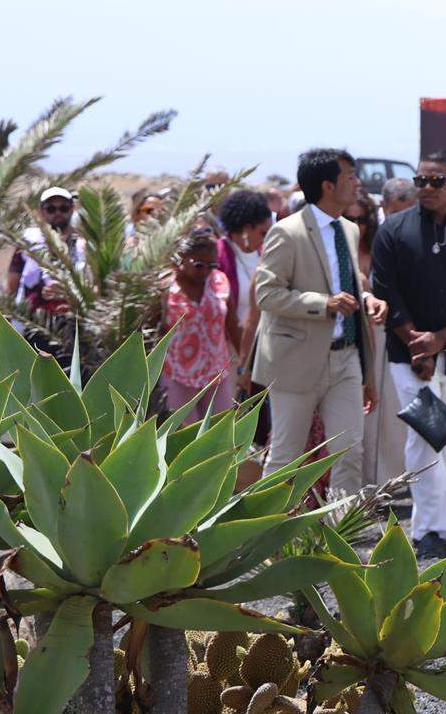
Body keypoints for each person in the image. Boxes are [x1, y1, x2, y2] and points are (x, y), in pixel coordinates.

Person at [372, 150, 446, 559]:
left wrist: (441, 339)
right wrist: (416, 343)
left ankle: (431, 525)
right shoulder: (393, 229)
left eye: (436, 181)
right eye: (421, 181)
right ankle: (434, 531)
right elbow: (385, 289)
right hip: (406, 354)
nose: (425, 188)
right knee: (425, 436)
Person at [252, 149, 385, 501]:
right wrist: (321, 304)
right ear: (328, 185)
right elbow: (266, 294)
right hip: (296, 360)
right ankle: (270, 545)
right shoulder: (286, 232)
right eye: (351, 176)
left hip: (346, 359)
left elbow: (344, 277)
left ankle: (339, 540)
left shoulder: (349, 230)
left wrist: (366, 298)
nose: (358, 183)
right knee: (285, 456)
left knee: (350, 453)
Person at [160, 224, 237, 419]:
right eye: (199, 265)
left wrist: (244, 364)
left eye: (212, 265)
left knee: (220, 431)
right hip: (177, 372)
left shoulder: (220, 282)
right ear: (182, 258)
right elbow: (154, 328)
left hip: (215, 371)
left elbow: (233, 324)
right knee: (184, 435)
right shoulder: (165, 287)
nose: (206, 272)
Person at [215, 189, 272, 397]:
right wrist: (243, 361)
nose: (267, 239)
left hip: (261, 352)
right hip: (228, 353)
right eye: (263, 233)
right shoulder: (218, 254)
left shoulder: (265, 255)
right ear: (247, 228)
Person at [7, 185, 85, 317]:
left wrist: (67, 292)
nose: (57, 213)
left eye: (63, 208)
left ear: (72, 210)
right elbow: (12, 283)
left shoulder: (82, 245)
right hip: (32, 321)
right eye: (51, 209)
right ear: (41, 212)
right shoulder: (28, 241)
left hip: (74, 321)